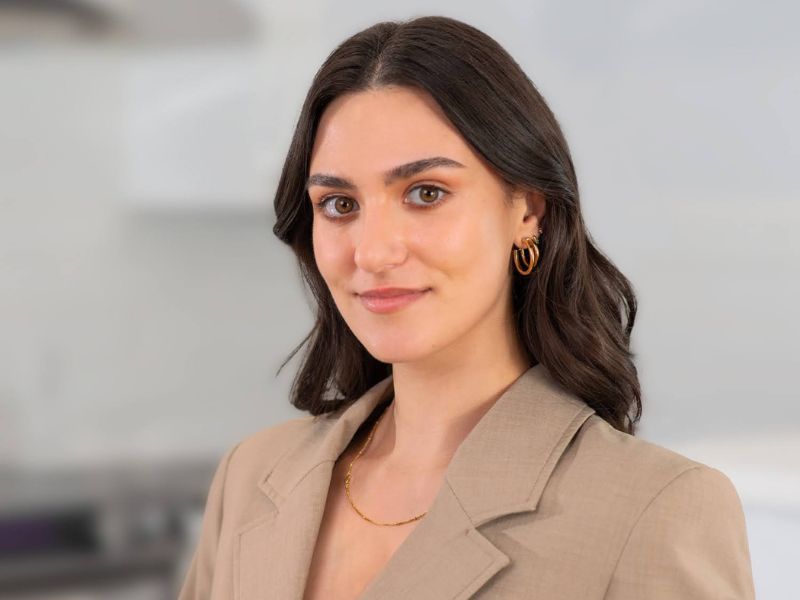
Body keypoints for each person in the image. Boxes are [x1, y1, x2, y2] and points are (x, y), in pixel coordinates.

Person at [178, 15, 755, 600]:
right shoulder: (252, 477)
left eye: (425, 194)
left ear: (528, 210)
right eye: (339, 204)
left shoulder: (656, 510)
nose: (373, 252)